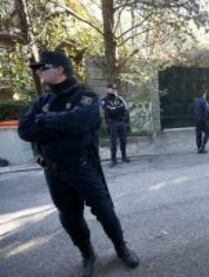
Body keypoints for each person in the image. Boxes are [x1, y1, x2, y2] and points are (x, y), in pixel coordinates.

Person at [18, 50, 139, 277]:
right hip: (54, 171)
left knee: (105, 211)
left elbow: (81, 121)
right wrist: (60, 126)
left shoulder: (86, 96)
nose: (40, 72)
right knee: (69, 217)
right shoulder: (42, 100)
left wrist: (44, 122)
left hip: (83, 166)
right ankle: (87, 254)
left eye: (43, 67)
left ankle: (121, 247)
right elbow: (24, 130)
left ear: (60, 70)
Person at [101, 83, 130, 167]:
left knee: (123, 140)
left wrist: (115, 108)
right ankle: (113, 159)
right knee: (113, 142)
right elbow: (108, 110)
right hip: (112, 122)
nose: (113, 90)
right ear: (107, 89)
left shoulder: (120, 99)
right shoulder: (104, 99)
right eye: (111, 88)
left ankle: (124, 157)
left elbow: (125, 108)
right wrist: (117, 109)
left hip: (121, 122)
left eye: (114, 88)